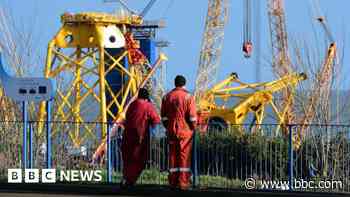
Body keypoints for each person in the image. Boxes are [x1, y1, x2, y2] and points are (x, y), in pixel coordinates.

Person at [161, 75, 197, 190]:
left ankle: (173, 181)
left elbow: (164, 117)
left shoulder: (166, 97)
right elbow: (192, 117)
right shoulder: (188, 97)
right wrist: (193, 128)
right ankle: (183, 182)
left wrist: (168, 127)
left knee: (172, 156)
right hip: (185, 131)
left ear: (175, 83)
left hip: (171, 130)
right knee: (184, 156)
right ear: (184, 84)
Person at [120, 88, 161, 188]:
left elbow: (126, 118)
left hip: (126, 136)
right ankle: (130, 180)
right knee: (140, 160)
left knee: (128, 159)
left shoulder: (131, 105)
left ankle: (126, 178)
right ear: (147, 97)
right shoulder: (148, 106)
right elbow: (156, 120)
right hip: (140, 137)